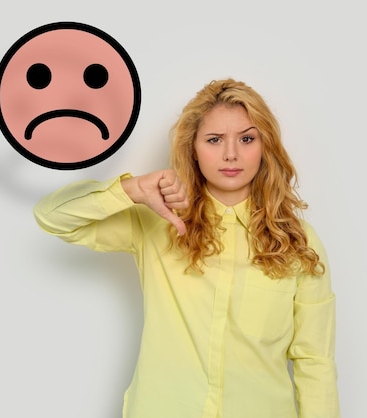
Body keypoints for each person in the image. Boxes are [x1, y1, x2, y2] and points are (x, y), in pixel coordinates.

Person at [33, 78, 340, 418]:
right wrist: (131, 189)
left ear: (265, 146)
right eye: (214, 140)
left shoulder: (298, 240)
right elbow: (51, 216)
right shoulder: (156, 221)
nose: (231, 154)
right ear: (192, 147)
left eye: (247, 139)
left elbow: (315, 361)